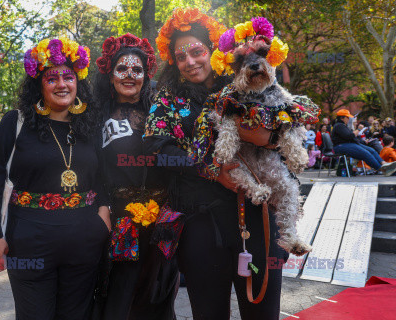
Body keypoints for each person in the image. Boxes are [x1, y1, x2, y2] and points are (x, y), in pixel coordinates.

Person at [144, 8, 314, 319]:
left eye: (196, 51)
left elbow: (286, 116)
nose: (190, 62)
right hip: (201, 224)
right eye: (181, 57)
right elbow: (157, 149)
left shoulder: (246, 81)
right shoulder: (167, 98)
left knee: (262, 312)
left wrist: (270, 139)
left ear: (212, 51)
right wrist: (212, 169)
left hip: (258, 215)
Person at [0, 37, 110, 320]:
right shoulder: (15, 123)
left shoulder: (90, 125)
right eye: (52, 78)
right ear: (39, 85)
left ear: (78, 82)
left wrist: (102, 215)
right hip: (29, 240)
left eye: (68, 77)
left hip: (84, 240)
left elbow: (101, 174)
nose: (62, 84)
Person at [93, 33, 178, 320]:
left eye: (137, 70)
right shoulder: (95, 115)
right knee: (121, 292)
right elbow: (89, 166)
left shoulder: (161, 112)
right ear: (111, 74)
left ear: (146, 74)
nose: (130, 75)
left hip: (162, 220)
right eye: (122, 69)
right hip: (117, 218)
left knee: (157, 291)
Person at [331, 109, 396, 176]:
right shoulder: (339, 125)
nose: (349, 119)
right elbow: (349, 136)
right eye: (347, 117)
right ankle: (382, 169)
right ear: (342, 118)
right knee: (366, 153)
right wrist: (359, 129)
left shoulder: (342, 126)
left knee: (371, 150)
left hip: (348, 144)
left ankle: (384, 163)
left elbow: (350, 136)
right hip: (341, 146)